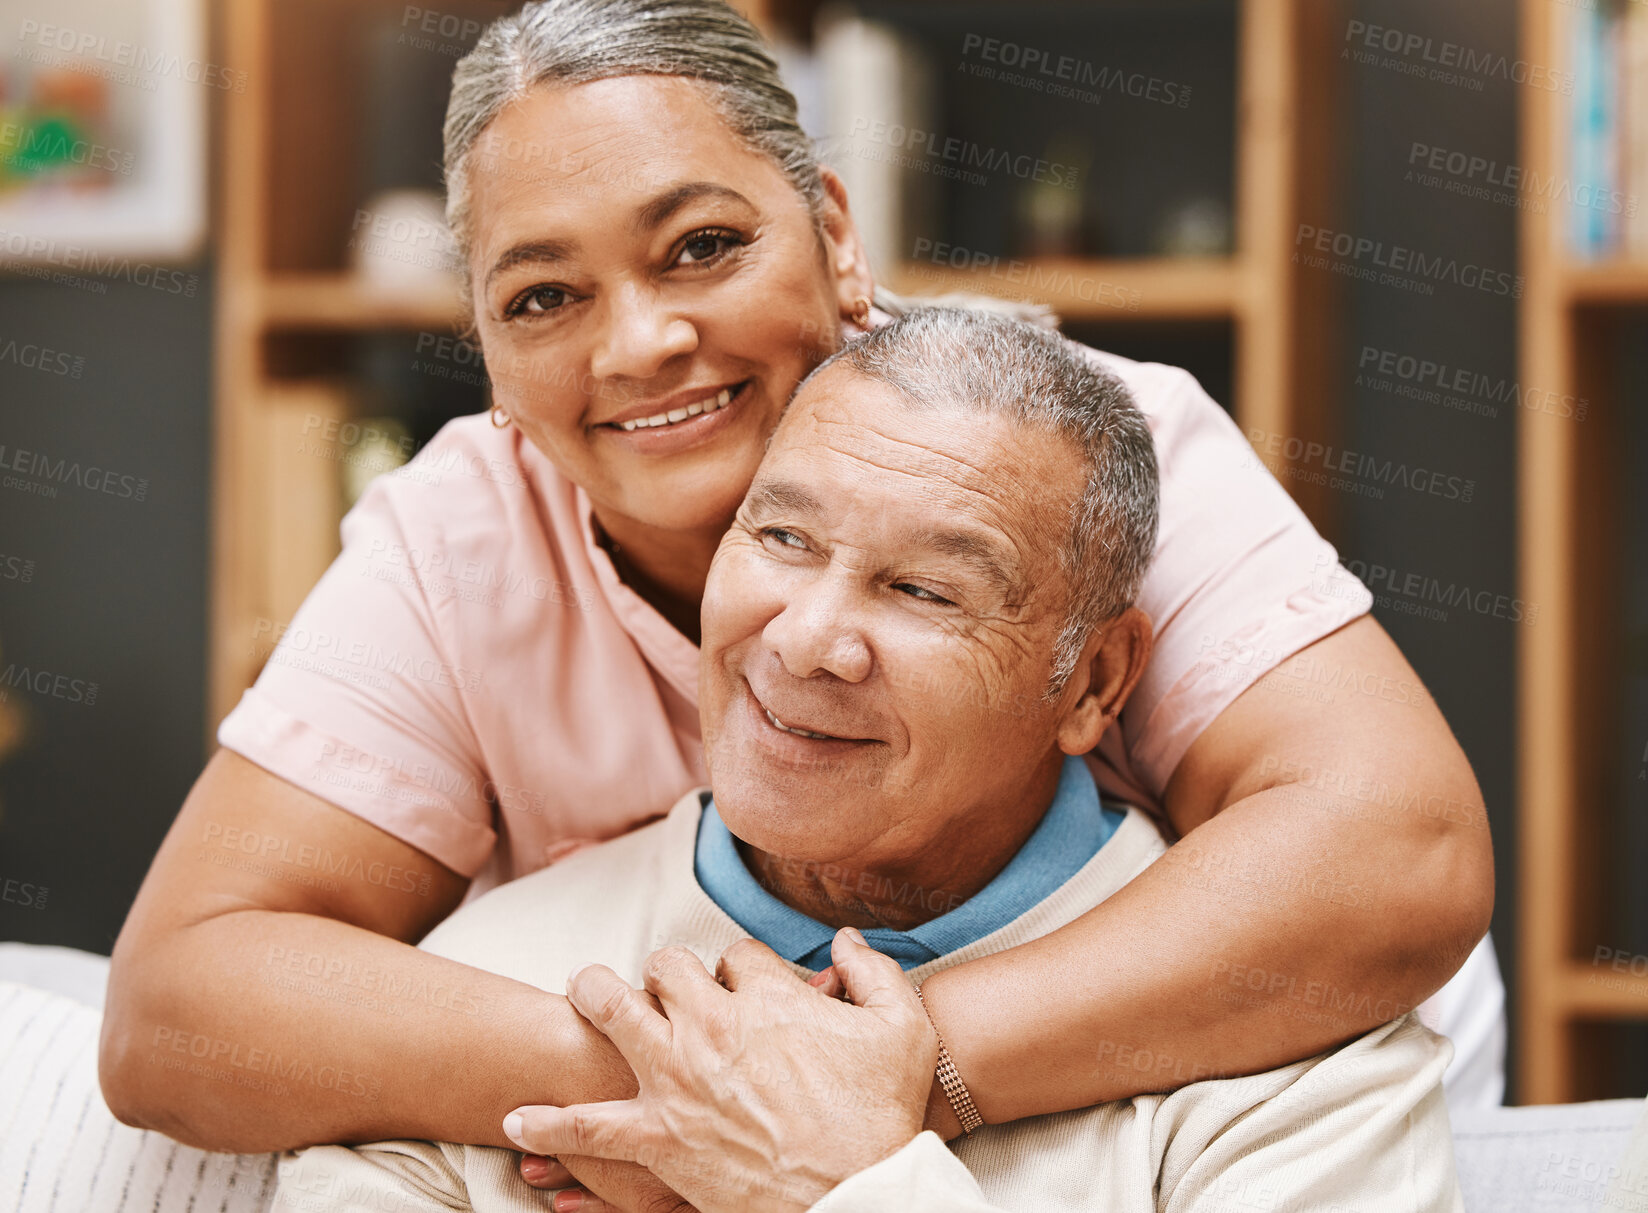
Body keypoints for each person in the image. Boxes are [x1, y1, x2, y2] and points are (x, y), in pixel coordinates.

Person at [101, 0, 1496, 1207]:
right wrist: (693, 1093)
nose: (642, 343)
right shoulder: (460, 533)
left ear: (833, 233)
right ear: (484, 349)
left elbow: (1396, 854)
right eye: (541, 298)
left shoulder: (1077, 445)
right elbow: (182, 1009)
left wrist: (880, 1080)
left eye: (702, 245)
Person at [272, 308, 1464, 1213]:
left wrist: (847, 1179)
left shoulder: (1298, 1052)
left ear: (1094, 682)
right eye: (780, 536)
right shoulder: (481, 994)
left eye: (926, 588)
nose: (805, 638)